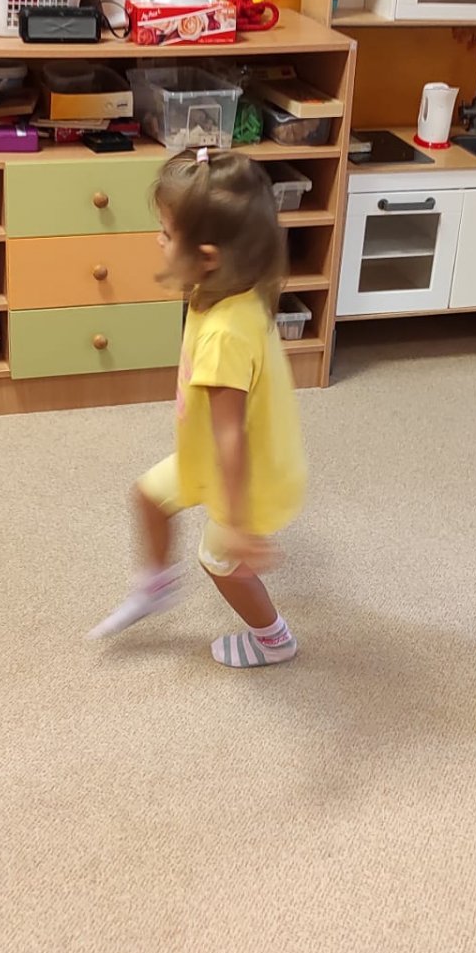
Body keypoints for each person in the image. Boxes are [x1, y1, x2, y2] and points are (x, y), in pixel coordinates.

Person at [89, 150, 306, 667]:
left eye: (166, 233)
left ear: (208, 257)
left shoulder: (225, 335)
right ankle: (156, 585)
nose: (158, 241)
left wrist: (237, 525)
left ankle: (274, 639)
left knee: (220, 561)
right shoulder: (228, 289)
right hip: (204, 454)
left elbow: (231, 435)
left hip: (244, 475)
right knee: (148, 496)